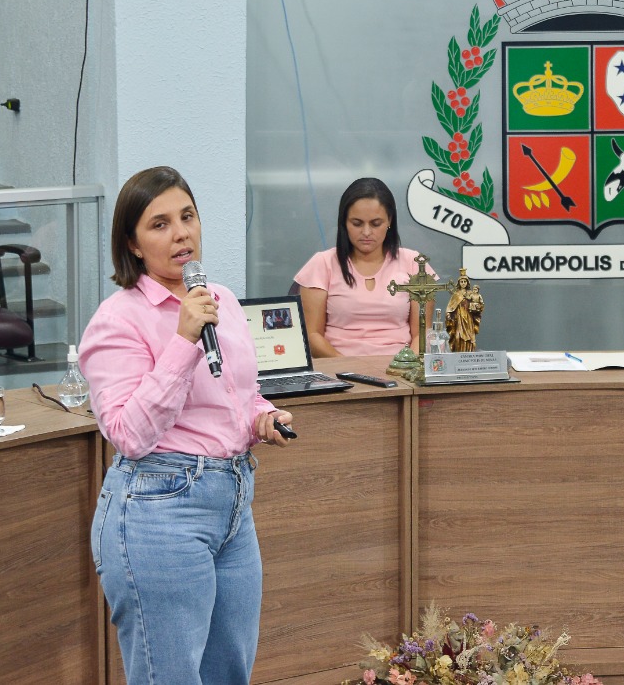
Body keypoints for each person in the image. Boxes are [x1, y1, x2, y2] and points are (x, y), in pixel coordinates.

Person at [81, 166, 295, 685]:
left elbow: (237, 392)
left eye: (188, 216)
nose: (181, 234)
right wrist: (183, 342)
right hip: (159, 511)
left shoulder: (221, 299)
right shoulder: (117, 319)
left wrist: (262, 417)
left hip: (234, 507)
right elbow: (128, 434)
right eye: (160, 224)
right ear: (132, 244)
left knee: (230, 673)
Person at [294, 178, 423, 357]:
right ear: (344, 222)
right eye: (357, 223)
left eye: (376, 224)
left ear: (389, 221)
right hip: (339, 368)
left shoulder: (415, 264)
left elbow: (421, 335)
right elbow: (312, 335)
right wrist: (349, 368)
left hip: (401, 368)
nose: (366, 232)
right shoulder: (322, 264)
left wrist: (407, 368)